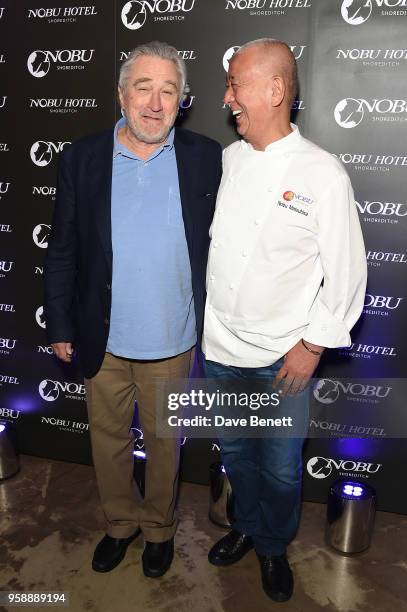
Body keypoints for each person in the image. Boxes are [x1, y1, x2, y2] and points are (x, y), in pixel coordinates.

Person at [44, 41, 222, 578]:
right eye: (143, 87)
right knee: (109, 440)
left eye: (168, 90)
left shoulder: (207, 157)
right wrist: (59, 322)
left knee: (166, 446)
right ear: (121, 94)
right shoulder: (83, 158)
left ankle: (160, 530)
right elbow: (63, 249)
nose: (154, 102)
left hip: (174, 338)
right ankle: (120, 525)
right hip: (104, 338)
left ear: (182, 101)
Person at [202, 39, 367, 602]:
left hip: (282, 359)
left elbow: (346, 275)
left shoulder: (324, 174)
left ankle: (273, 546)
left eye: (235, 85)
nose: (227, 99)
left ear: (275, 90)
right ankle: (247, 526)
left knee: (279, 469)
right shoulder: (231, 158)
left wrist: (313, 347)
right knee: (237, 456)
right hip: (221, 349)